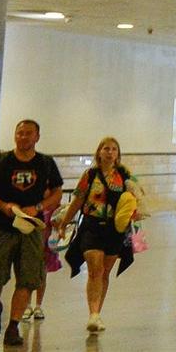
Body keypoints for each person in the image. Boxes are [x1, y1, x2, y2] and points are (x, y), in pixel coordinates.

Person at [0, 118, 63, 347]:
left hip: (31, 228)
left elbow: (57, 193)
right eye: (20, 133)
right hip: (1, 227)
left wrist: (38, 208)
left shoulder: (46, 164)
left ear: (37, 137)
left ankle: (13, 325)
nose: (23, 137)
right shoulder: (1, 161)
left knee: (28, 278)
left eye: (28, 133)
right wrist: (4, 206)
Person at [56, 136, 142, 333]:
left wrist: (135, 219)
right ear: (99, 152)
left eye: (113, 149)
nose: (110, 152)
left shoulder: (125, 175)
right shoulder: (89, 175)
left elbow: (137, 198)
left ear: (118, 154)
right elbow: (77, 201)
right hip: (92, 226)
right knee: (95, 268)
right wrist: (64, 222)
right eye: (106, 149)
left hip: (115, 229)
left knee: (104, 271)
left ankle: (97, 313)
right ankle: (93, 313)